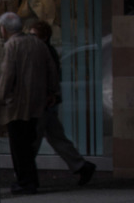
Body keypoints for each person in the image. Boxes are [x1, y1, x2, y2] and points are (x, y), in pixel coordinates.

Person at [27, 19, 95, 187]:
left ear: (43, 37)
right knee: (55, 137)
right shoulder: (45, 51)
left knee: (35, 139)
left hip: (44, 102)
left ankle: (27, 173)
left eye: (34, 35)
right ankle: (80, 165)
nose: (31, 38)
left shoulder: (44, 52)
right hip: (48, 102)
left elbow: (49, 77)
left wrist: (51, 95)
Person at [0, 11, 58, 195]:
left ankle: (25, 182)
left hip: (17, 104)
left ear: (4, 29)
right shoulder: (38, 43)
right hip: (36, 103)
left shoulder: (12, 45)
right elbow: (51, 70)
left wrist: (0, 97)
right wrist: (52, 92)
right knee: (28, 143)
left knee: (19, 145)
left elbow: (7, 75)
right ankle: (30, 180)